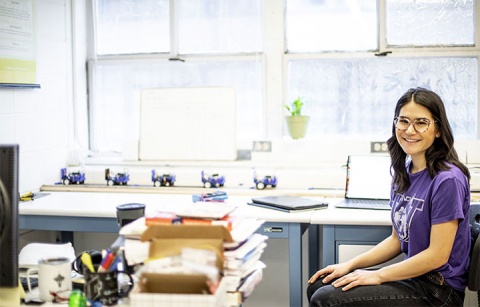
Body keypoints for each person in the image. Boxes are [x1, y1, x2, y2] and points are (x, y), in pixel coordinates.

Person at [307, 87, 471, 306]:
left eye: (421, 123)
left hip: (438, 290)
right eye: (403, 121)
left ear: (438, 130)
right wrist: (351, 265)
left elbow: (437, 256)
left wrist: (378, 275)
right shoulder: (403, 172)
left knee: (325, 299)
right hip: (413, 276)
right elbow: (396, 240)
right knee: (319, 285)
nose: (410, 130)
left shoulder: (448, 179)